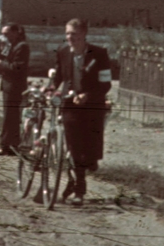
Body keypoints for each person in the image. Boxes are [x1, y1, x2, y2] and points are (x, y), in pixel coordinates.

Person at [47, 19, 114, 205]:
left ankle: (74, 180)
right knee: (74, 146)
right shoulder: (62, 52)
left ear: (84, 35)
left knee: (89, 154)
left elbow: (106, 83)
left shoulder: (99, 54)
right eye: (67, 33)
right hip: (70, 105)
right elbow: (59, 75)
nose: (70, 37)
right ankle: (79, 190)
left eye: (74, 34)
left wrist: (87, 95)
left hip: (92, 106)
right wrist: (51, 88)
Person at [0, 24, 30, 156]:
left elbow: (16, 67)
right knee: (10, 116)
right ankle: (12, 145)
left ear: (15, 32)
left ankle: (6, 145)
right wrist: (1, 50)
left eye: (7, 33)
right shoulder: (10, 45)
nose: (4, 36)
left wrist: (0, 64)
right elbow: (2, 58)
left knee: (10, 116)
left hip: (15, 85)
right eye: (3, 34)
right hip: (8, 84)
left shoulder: (22, 46)